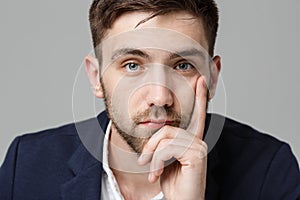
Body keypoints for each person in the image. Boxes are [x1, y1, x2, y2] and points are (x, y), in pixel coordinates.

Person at [0, 0, 299, 199]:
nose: (159, 97)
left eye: (183, 65)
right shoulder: (24, 165)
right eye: (132, 65)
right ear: (96, 77)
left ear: (212, 77)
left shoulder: (269, 173)